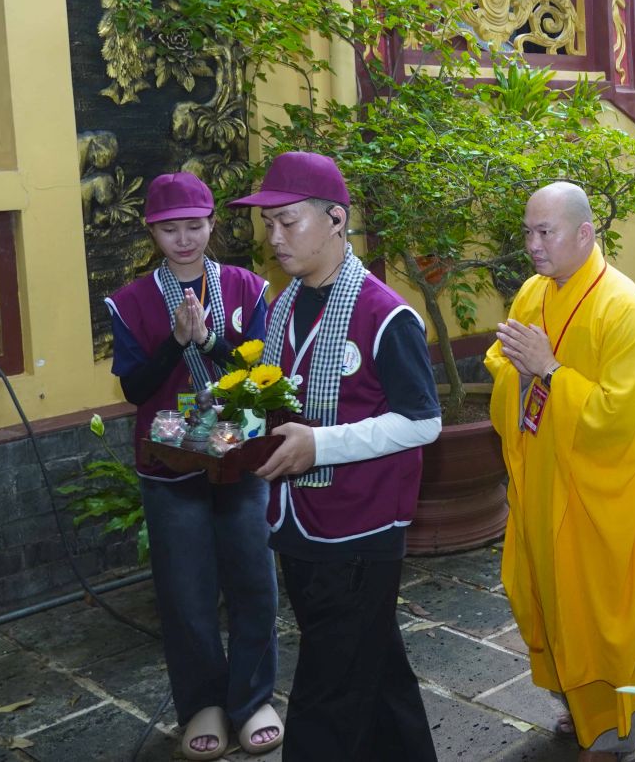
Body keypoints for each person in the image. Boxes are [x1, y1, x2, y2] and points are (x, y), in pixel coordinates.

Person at [233, 152, 443, 762]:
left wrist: (320, 444)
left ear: (335, 219)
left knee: (327, 688)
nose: (275, 238)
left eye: (288, 221)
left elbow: (424, 421)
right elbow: (276, 394)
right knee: (373, 666)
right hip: (297, 520)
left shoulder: (385, 314)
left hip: (360, 525)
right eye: (268, 224)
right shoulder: (284, 304)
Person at [485, 183, 635, 759]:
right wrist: (521, 371)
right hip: (540, 479)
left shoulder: (624, 308)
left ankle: (611, 727)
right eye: (528, 232)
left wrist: (551, 371)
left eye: (546, 232)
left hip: (596, 491)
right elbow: (502, 361)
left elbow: (619, 417)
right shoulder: (531, 293)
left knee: (597, 612)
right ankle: (572, 701)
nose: (533, 245)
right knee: (543, 595)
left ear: (585, 233)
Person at [106, 173, 279, 761]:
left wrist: (207, 341)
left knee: (254, 578)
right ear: (151, 231)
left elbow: (260, 373)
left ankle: (252, 698)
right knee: (185, 589)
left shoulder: (246, 287)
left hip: (240, 455)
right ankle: (202, 703)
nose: (184, 239)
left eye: (194, 226)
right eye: (170, 229)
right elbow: (135, 389)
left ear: (212, 224)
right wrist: (173, 343)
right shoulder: (131, 302)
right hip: (168, 459)